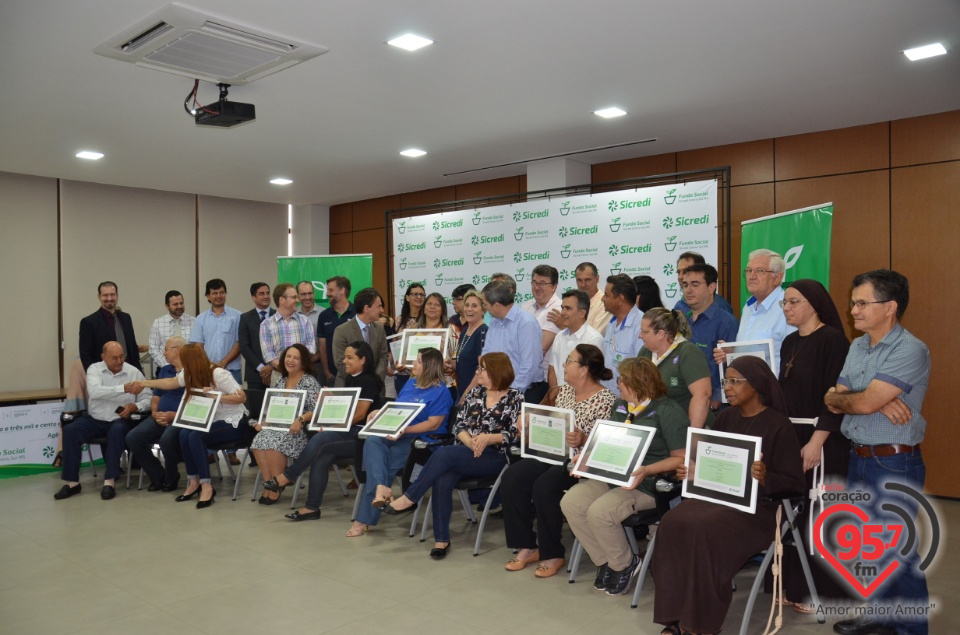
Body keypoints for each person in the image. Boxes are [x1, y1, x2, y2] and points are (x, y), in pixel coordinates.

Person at [652, 356, 805, 635]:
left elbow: (795, 483)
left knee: (705, 528)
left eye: (735, 381)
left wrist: (765, 476)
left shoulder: (778, 425)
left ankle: (701, 624)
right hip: (719, 500)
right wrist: (694, 471)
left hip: (761, 508)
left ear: (757, 385)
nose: (728, 388)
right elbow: (713, 463)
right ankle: (674, 617)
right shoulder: (725, 417)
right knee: (673, 521)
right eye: (726, 381)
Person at [824, 270, 930, 635]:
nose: (853, 310)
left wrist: (867, 399)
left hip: (894, 461)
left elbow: (858, 399)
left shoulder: (910, 349)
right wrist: (873, 400)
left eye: (861, 303)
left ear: (890, 307)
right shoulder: (857, 346)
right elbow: (832, 398)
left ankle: (912, 630)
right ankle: (880, 616)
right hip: (859, 456)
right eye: (853, 302)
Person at [560, 357, 690, 596]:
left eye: (622, 380)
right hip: (614, 474)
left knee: (600, 512)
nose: (617, 384)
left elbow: (681, 458)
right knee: (571, 503)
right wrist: (585, 458)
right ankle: (606, 561)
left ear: (639, 384)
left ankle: (624, 564)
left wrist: (648, 470)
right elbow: (606, 441)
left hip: (648, 482)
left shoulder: (668, 411)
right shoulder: (620, 406)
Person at [383, 353, 523, 559]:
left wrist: (488, 439)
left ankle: (410, 497)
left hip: (495, 456)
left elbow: (517, 434)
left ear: (496, 370)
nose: (477, 372)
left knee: (445, 454)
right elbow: (459, 425)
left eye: (481, 369)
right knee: (442, 477)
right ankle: (442, 539)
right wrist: (472, 442)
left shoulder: (516, 397)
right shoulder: (475, 393)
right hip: (466, 451)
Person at [500, 344, 615, 578]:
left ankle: (553, 553)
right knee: (513, 476)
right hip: (550, 453)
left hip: (579, 462)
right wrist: (526, 419)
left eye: (570, 361)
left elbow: (604, 444)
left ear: (583, 369)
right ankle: (527, 546)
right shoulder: (561, 392)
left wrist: (582, 438)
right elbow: (540, 414)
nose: (564, 365)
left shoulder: (606, 399)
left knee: (545, 485)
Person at [772, 279, 852, 612]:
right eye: (784, 303)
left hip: (823, 438)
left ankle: (819, 589)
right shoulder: (790, 341)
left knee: (818, 514)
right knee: (791, 511)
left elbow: (837, 397)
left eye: (794, 302)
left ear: (814, 304)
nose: (787, 308)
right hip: (792, 436)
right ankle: (792, 583)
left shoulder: (833, 341)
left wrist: (817, 440)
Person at [263, 341, 384, 521]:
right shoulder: (352, 377)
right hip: (347, 431)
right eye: (345, 357)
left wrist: (332, 425)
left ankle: (288, 476)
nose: (345, 361)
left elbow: (359, 415)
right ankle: (312, 508)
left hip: (361, 437)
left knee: (321, 439)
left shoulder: (368, 381)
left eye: (350, 358)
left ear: (363, 359)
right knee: (321, 456)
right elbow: (346, 407)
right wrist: (330, 402)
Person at [347, 347, 452, 537]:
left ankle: (364, 518)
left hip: (420, 441)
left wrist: (405, 430)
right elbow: (397, 408)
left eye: (419, 361)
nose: (414, 364)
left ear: (429, 366)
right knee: (372, 439)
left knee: (382, 466)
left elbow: (433, 424)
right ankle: (381, 488)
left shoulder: (441, 392)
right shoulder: (411, 383)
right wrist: (379, 412)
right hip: (397, 433)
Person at [136, 343, 247, 509]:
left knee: (196, 436)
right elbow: (171, 382)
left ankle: (207, 486)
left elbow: (241, 397)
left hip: (233, 421)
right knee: (183, 434)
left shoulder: (218, 374)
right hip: (211, 420)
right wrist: (144, 383)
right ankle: (194, 481)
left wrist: (216, 397)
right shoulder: (189, 373)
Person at [54, 342, 152, 501]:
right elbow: (94, 392)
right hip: (95, 419)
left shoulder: (133, 372)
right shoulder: (94, 369)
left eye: (122, 356)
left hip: (120, 420)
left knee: (117, 430)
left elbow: (148, 398)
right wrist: (124, 389)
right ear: (103, 357)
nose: (119, 361)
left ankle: (109, 481)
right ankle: (72, 483)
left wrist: (135, 405)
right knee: (70, 430)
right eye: (114, 358)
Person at [249, 343, 321, 504]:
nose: (291, 360)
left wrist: (300, 419)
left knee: (273, 443)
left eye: (296, 358)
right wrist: (264, 422)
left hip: (299, 430)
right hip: (278, 426)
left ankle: (278, 484)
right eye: (288, 356)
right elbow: (273, 407)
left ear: (303, 362)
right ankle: (270, 484)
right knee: (259, 441)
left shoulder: (309, 381)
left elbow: (318, 409)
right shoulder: (281, 381)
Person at [714, 249, 796, 373]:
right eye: (748, 270)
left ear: (777, 278)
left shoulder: (787, 307)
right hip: (747, 386)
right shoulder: (748, 308)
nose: (752, 276)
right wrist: (732, 353)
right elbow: (752, 352)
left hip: (774, 388)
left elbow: (795, 356)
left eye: (760, 271)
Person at [125, 336, 187, 492]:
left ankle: (172, 478)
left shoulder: (191, 370)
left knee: (167, 440)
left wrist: (174, 415)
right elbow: (156, 396)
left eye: (166, 349)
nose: (164, 353)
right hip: (159, 416)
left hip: (180, 417)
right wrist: (154, 412)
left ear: (178, 350)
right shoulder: (165, 370)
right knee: (133, 437)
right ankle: (158, 475)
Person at [638, 307, 713, 429]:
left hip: (683, 425)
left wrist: (689, 436)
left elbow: (702, 395)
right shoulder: (645, 352)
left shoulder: (688, 352)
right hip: (655, 424)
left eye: (645, 332)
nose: (640, 336)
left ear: (661, 334)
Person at [679, 264, 739, 410]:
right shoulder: (680, 319)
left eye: (695, 284)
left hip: (712, 405)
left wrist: (716, 400)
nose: (688, 290)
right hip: (682, 399)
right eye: (685, 285)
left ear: (711, 288)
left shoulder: (726, 322)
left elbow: (729, 365)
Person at [474, 279, 543, 399]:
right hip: (496, 391)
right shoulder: (495, 322)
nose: (484, 308)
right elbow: (486, 356)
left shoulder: (526, 323)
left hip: (523, 392)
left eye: (485, 304)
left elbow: (529, 366)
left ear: (496, 305)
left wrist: (510, 394)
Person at [332, 288, 389, 390]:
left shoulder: (380, 329)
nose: (382, 310)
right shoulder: (342, 331)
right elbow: (341, 362)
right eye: (379, 306)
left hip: (375, 388)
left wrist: (374, 380)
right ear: (366, 308)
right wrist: (363, 382)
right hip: (349, 387)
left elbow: (383, 356)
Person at [79, 281, 143, 372]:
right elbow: (86, 355)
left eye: (112, 294)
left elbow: (132, 347)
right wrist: (94, 376)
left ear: (117, 296)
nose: (109, 298)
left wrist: (139, 371)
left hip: (129, 372)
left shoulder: (126, 318)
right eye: (105, 295)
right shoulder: (89, 322)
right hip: (105, 375)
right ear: (99, 297)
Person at [521, 264, 562, 404]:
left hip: (542, 381)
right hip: (521, 378)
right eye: (534, 282)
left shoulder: (557, 309)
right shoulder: (525, 307)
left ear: (554, 286)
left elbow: (541, 348)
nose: (537, 287)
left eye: (543, 283)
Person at [259, 283, 317, 382]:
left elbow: (311, 347)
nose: (297, 300)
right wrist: (287, 370)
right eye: (294, 297)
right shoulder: (266, 324)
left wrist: (297, 368)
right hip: (278, 377)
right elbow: (268, 354)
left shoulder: (305, 321)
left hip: (303, 377)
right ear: (282, 300)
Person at [547, 289, 603, 388]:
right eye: (562, 308)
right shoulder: (559, 336)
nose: (562, 313)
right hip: (558, 398)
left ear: (582, 313)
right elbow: (552, 369)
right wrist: (556, 395)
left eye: (568, 308)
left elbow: (590, 378)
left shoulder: (593, 339)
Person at [190, 278, 243, 383]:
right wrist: (209, 364)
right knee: (210, 398)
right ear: (208, 296)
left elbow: (240, 343)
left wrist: (223, 362)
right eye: (214, 293)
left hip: (232, 370)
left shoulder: (237, 316)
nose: (219, 296)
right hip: (208, 370)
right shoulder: (201, 318)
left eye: (221, 292)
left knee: (234, 398)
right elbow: (198, 346)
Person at [599, 274, 642, 394]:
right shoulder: (612, 323)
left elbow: (642, 370)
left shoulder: (641, 326)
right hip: (607, 397)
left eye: (607, 295)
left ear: (620, 299)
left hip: (628, 400)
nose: (602, 299)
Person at [316, 276, 355, 386]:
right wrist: (327, 373)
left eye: (331, 290)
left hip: (355, 374)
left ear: (342, 290)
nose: (327, 293)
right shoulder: (324, 316)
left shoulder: (357, 313)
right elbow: (322, 347)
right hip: (332, 376)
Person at [450, 290, 488, 402]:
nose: (469, 309)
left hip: (475, 395)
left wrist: (466, 395)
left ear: (483, 310)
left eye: (474, 306)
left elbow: (482, 369)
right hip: (462, 391)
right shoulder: (465, 331)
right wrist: (447, 364)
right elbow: (463, 363)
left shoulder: (483, 332)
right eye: (467, 305)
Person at [238, 282, 276, 391]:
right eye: (261, 294)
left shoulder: (278, 316)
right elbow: (244, 347)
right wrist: (262, 368)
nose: (266, 296)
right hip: (255, 374)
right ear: (253, 297)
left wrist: (271, 367)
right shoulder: (245, 318)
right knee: (256, 407)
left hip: (276, 372)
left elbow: (281, 345)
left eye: (268, 293)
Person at [147, 290, 195, 375]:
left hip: (190, 370)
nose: (179, 306)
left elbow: (198, 347)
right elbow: (153, 349)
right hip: (166, 370)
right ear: (167, 306)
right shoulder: (158, 323)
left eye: (181, 303)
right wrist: (167, 366)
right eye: (175, 304)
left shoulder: (194, 321)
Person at [673, 251, 734, 315]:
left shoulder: (720, 305)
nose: (680, 276)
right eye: (678, 272)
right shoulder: (679, 306)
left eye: (686, 271)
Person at [393, 283, 426, 394]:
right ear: (407, 298)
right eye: (415, 294)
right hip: (402, 373)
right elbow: (395, 345)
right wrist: (395, 364)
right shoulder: (399, 320)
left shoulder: (428, 320)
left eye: (422, 295)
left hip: (422, 373)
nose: (419, 297)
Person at [576, 262, 612, 334]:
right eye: (579, 280)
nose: (583, 284)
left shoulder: (604, 304)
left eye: (587, 280)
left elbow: (595, 336)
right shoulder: (574, 303)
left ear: (597, 279)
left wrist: (564, 326)